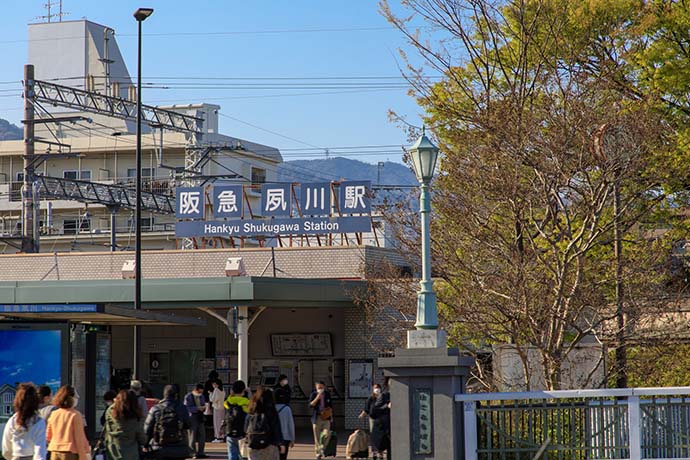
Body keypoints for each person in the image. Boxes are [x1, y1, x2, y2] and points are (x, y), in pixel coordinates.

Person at [144, 384, 192, 460]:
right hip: (179, 448)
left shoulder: (155, 409)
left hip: (159, 448)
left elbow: (147, 430)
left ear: (164, 394)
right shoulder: (182, 408)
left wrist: (145, 445)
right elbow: (188, 425)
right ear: (176, 395)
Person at [2, 383, 47, 460]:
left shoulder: (12, 421)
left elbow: (6, 449)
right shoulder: (39, 422)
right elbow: (40, 450)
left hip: (15, 457)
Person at [46, 385, 90, 460]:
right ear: (70, 398)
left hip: (54, 451)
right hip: (70, 453)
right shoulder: (75, 415)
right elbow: (79, 439)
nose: (77, 398)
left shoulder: (54, 414)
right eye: (75, 396)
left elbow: (48, 435)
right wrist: (83, 456)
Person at [103, 390, 146, 460]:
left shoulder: (110, 412)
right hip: (131, 455)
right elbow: (142, 439)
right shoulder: (135, 419)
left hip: (112, 453)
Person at [244, 387, 282, 460]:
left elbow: (246, 426)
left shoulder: (252, 410)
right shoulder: (271, 410)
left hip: (253, 443)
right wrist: (280, 442)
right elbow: (276, 427)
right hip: (269, 443)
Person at [224, 380, 250, 460]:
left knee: (232, 453)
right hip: (242, 432)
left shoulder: (228, 402)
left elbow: (225, 402)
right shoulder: (247, 402)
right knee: (242, 454)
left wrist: (231, 395)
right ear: (243, 390)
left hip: (230, 431)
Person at [308, 381, 332, 459]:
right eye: (319, 388)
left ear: (324, 387)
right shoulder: (313, 394)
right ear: (316, 387)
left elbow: (330, 406)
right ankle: (318, 453)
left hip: (326, 417)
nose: (320, 389)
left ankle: (323, 448)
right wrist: (317, 398)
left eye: (321, 387)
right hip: (317, 417)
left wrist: (331, 416)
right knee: (317, 436)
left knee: (327, 434)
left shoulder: (327, 394)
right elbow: (310, 405)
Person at [184, 384, 207, 459]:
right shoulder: (188, 396)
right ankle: (192, 452)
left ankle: (201, 452)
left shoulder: (202, 396)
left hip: (200, 416)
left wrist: (203, 408)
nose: (200, 393)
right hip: (192, 417)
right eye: (199, 391)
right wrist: (197, 408)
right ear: (195, 390)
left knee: (202, 435)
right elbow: (187, 408)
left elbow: (203, 404)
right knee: (192, 435)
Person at [273, 380, 294, 460]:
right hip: (285, 438)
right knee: (283, 457)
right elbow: (290, 424)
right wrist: (292, 438)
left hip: (274, 438)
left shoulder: (271, 408)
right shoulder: (287, 409)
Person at [369, 385, 391, 460]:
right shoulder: (382, 396)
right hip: (380, 423)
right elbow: (373, 410)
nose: (377, 390)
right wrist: (386, 406)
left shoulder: (387, 395)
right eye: (375, 388)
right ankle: (376, 452)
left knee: (384, 440)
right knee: (378, 439)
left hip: (386, 424)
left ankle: (380, 453)